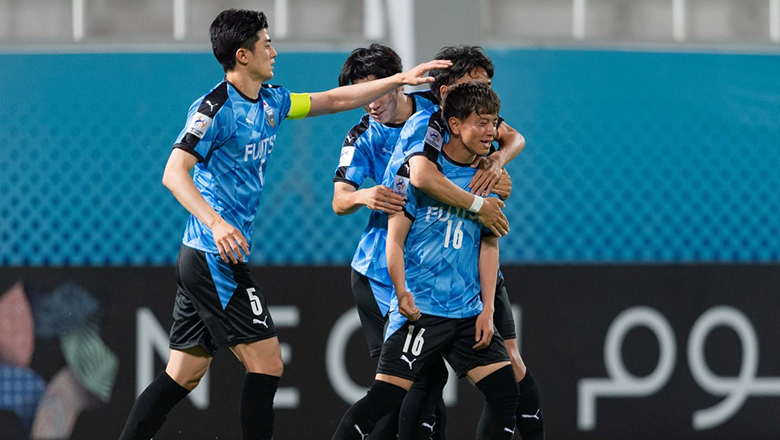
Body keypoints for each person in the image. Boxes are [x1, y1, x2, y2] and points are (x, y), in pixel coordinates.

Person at [117, 9, 450, 440]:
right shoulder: (214, 107)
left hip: (209, 255)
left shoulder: (272, 101)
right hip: (213, 255)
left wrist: (398, 80)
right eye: (266, 43)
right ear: (243, 55)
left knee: (183, 374)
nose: (274, 51)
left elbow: (332, 100)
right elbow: (173, 172)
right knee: (268, 362)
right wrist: (217, 224)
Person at [333, 80, 518, 440]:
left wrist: (487, 310)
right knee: (384, 399)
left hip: (466, 312)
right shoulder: (416, 176)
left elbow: (489, 244)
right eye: (481, 122)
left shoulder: (488, 179)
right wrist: (401, 292)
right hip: (422, 310)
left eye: (493, 122)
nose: (490, 132)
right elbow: (395, 241)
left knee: (505, 394)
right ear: (453, 125)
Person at [383, 46, 545, 439]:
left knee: (509, 367)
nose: (483, 95)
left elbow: (515, 138)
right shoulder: (428, 121)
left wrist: (496, 163)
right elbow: (420, 177)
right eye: (474, 85)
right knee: (411, 383)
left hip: (470, 270)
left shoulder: (480, 128)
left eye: (487, 86)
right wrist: (478, 204)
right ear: (447, 93)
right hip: (421, 269)